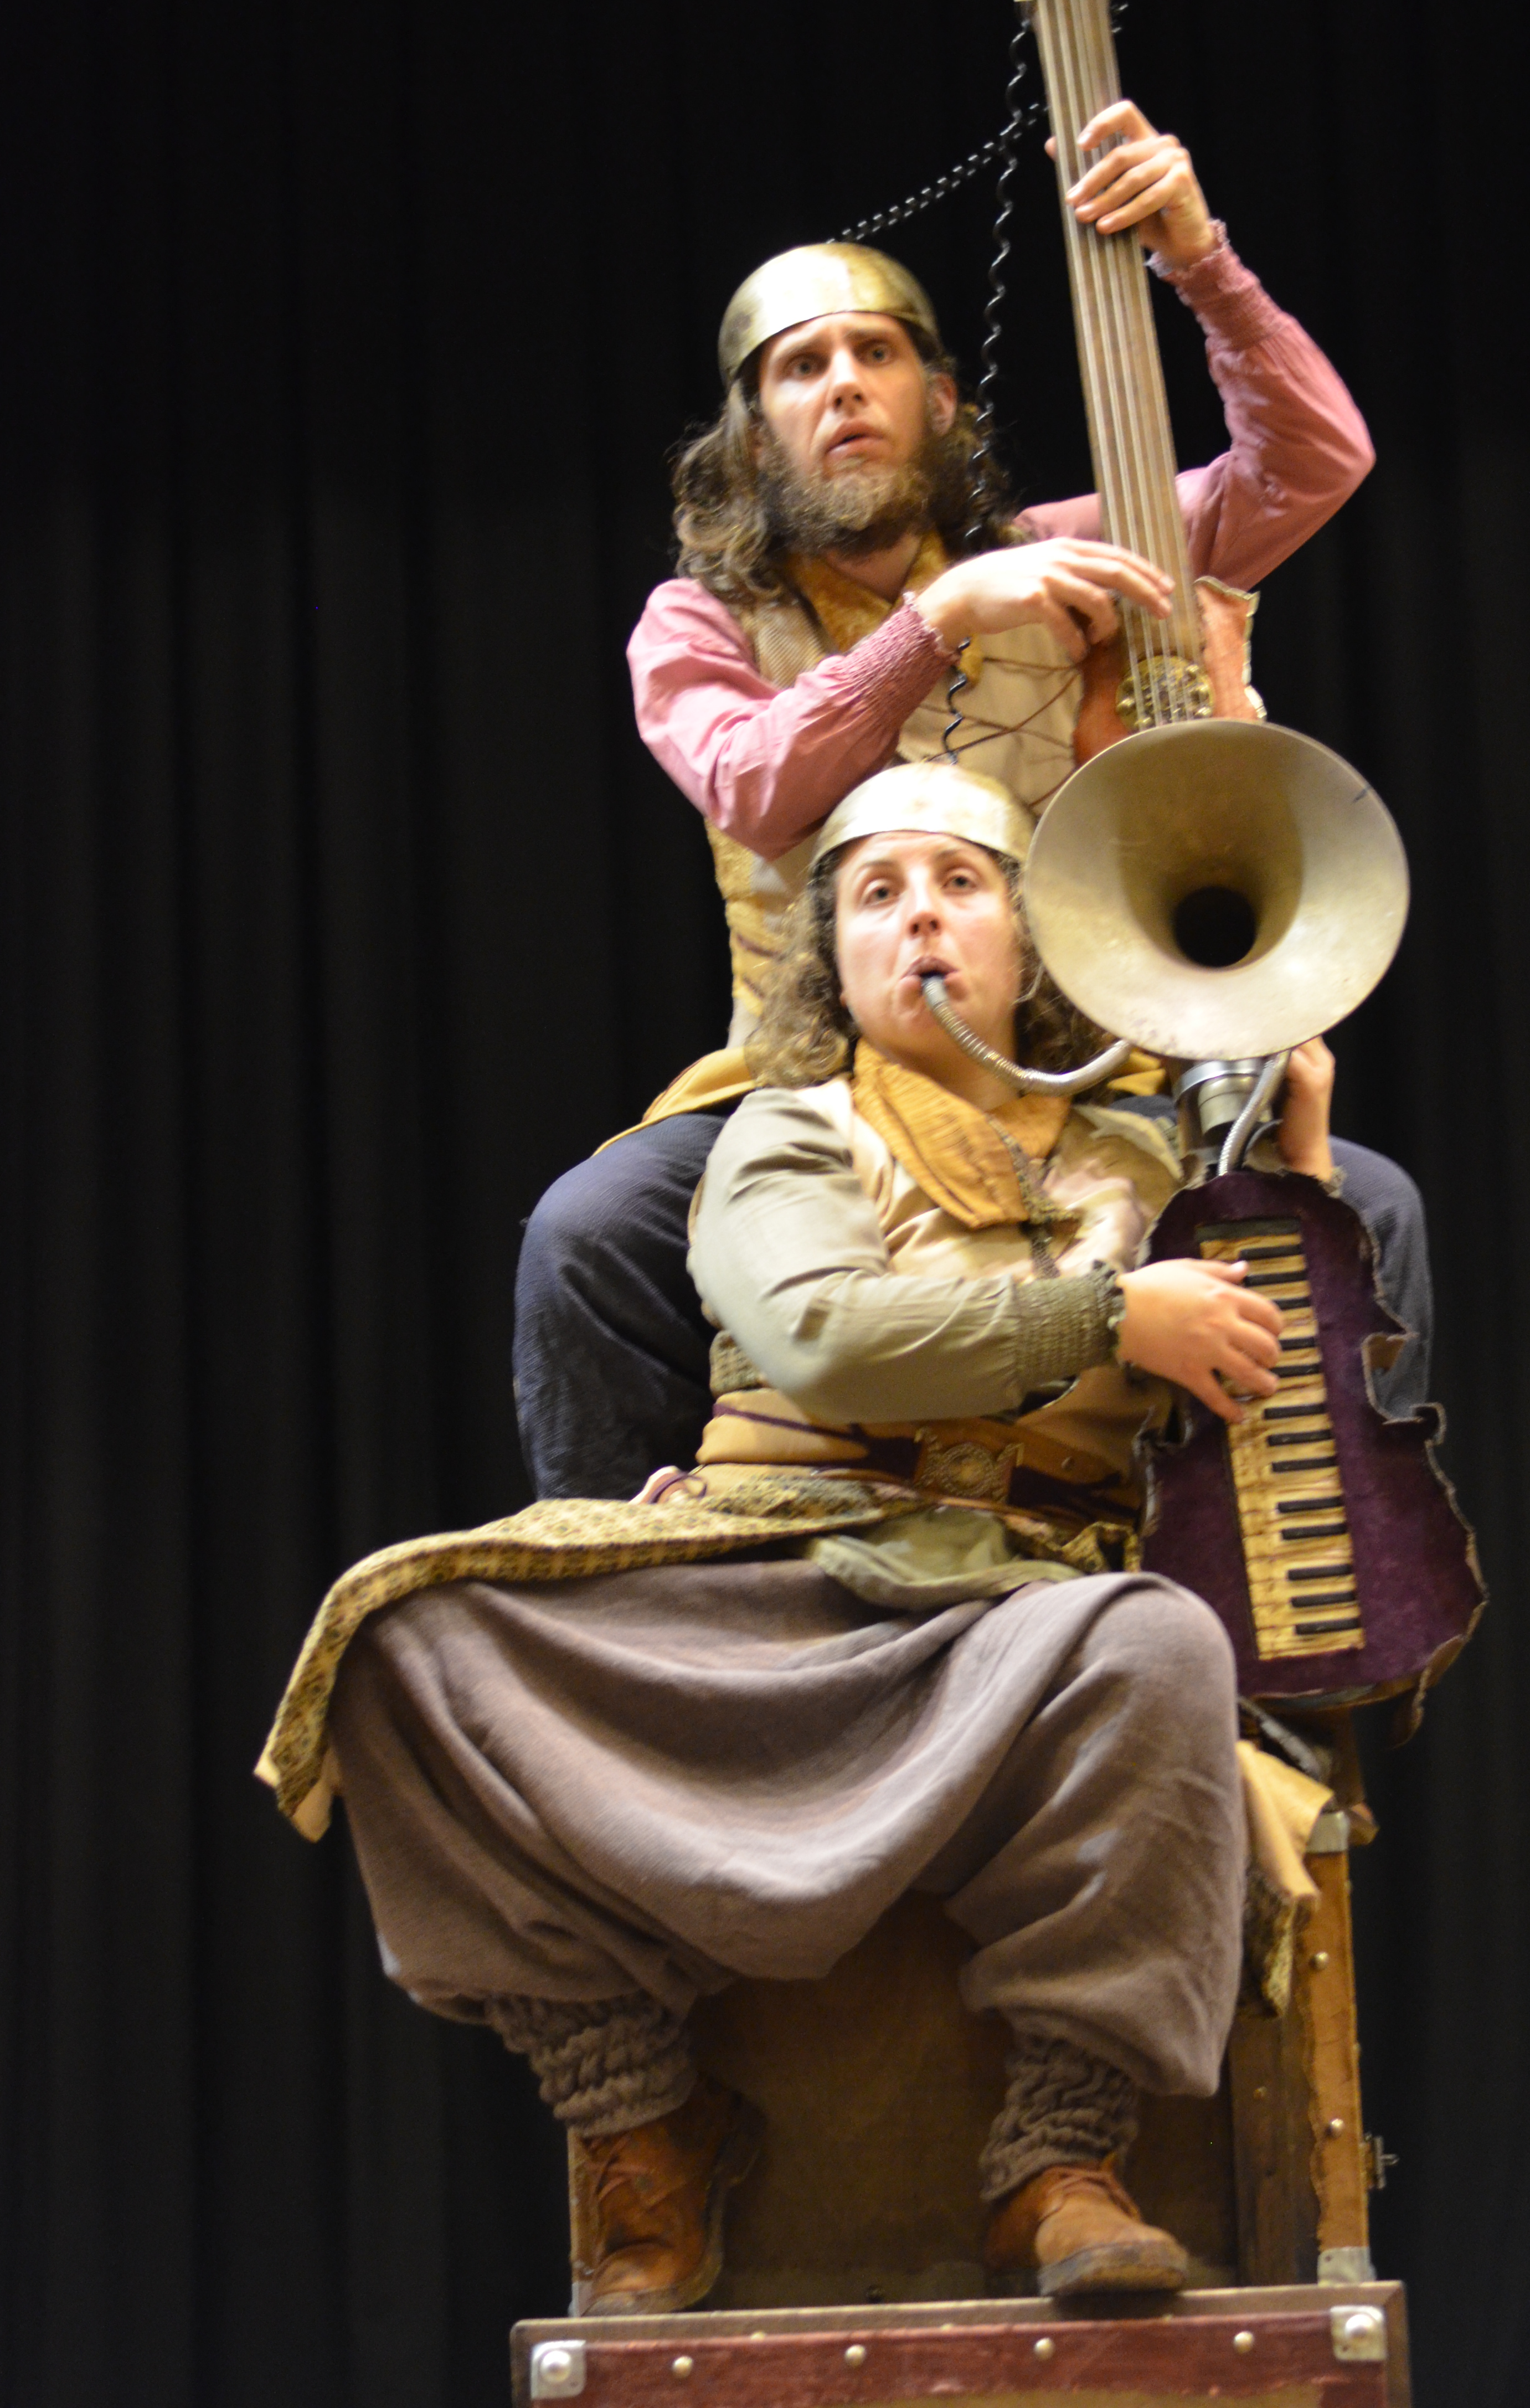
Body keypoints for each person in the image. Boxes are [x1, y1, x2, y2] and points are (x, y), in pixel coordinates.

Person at [259, 762, 1344, 2317]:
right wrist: (1112, 1316)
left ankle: (1060, 2160)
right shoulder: (784, 1131)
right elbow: (824, 1337)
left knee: (1162, 1641)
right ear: (832, 957)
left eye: (961, 885)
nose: (921, 921)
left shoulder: (1152, 1158)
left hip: (1022, 1628)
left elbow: (1298, 1430)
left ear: (1035, 938)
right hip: (788, 1586)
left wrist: (1296, 1172)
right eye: (878, 895)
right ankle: (643, 2118)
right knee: (403, 1641)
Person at [515, 103, 1433, 1502]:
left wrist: (1199, 258)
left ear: (941, 404)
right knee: (585, 1236)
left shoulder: (1072, 558)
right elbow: (756, 790)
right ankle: (621, 1580)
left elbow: (1314, 465)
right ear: (754, 440)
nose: (844, 386)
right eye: (802, 367)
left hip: (1086, 1080)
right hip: (814, 1080)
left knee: (1375, 1205)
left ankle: (1334, 1581)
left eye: (877, 354)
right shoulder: (699, 621)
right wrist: (939, 619)